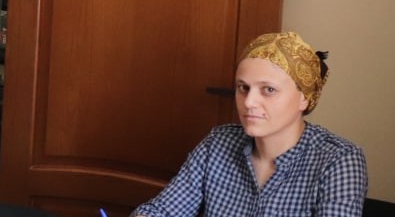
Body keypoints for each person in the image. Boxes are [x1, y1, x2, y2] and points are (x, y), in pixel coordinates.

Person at [132, 31, 367, 217]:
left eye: (269, 90)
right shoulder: (218, 142)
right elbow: (162, 211)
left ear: (304, 98)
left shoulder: (338, 160)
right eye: (243, 87)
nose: (249, 102)